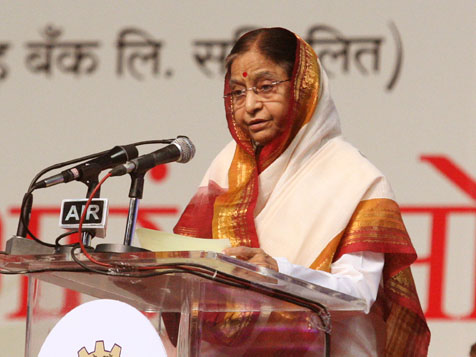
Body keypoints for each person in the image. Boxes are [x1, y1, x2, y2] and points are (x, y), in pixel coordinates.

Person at [174, 27, 430, 356]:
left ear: (302, 86)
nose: (249, 105)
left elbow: (358, 294)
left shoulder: (357, 179)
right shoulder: (226, 167)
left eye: (265, 87)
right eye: (238, 92)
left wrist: (280, 273)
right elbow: (196, 271)